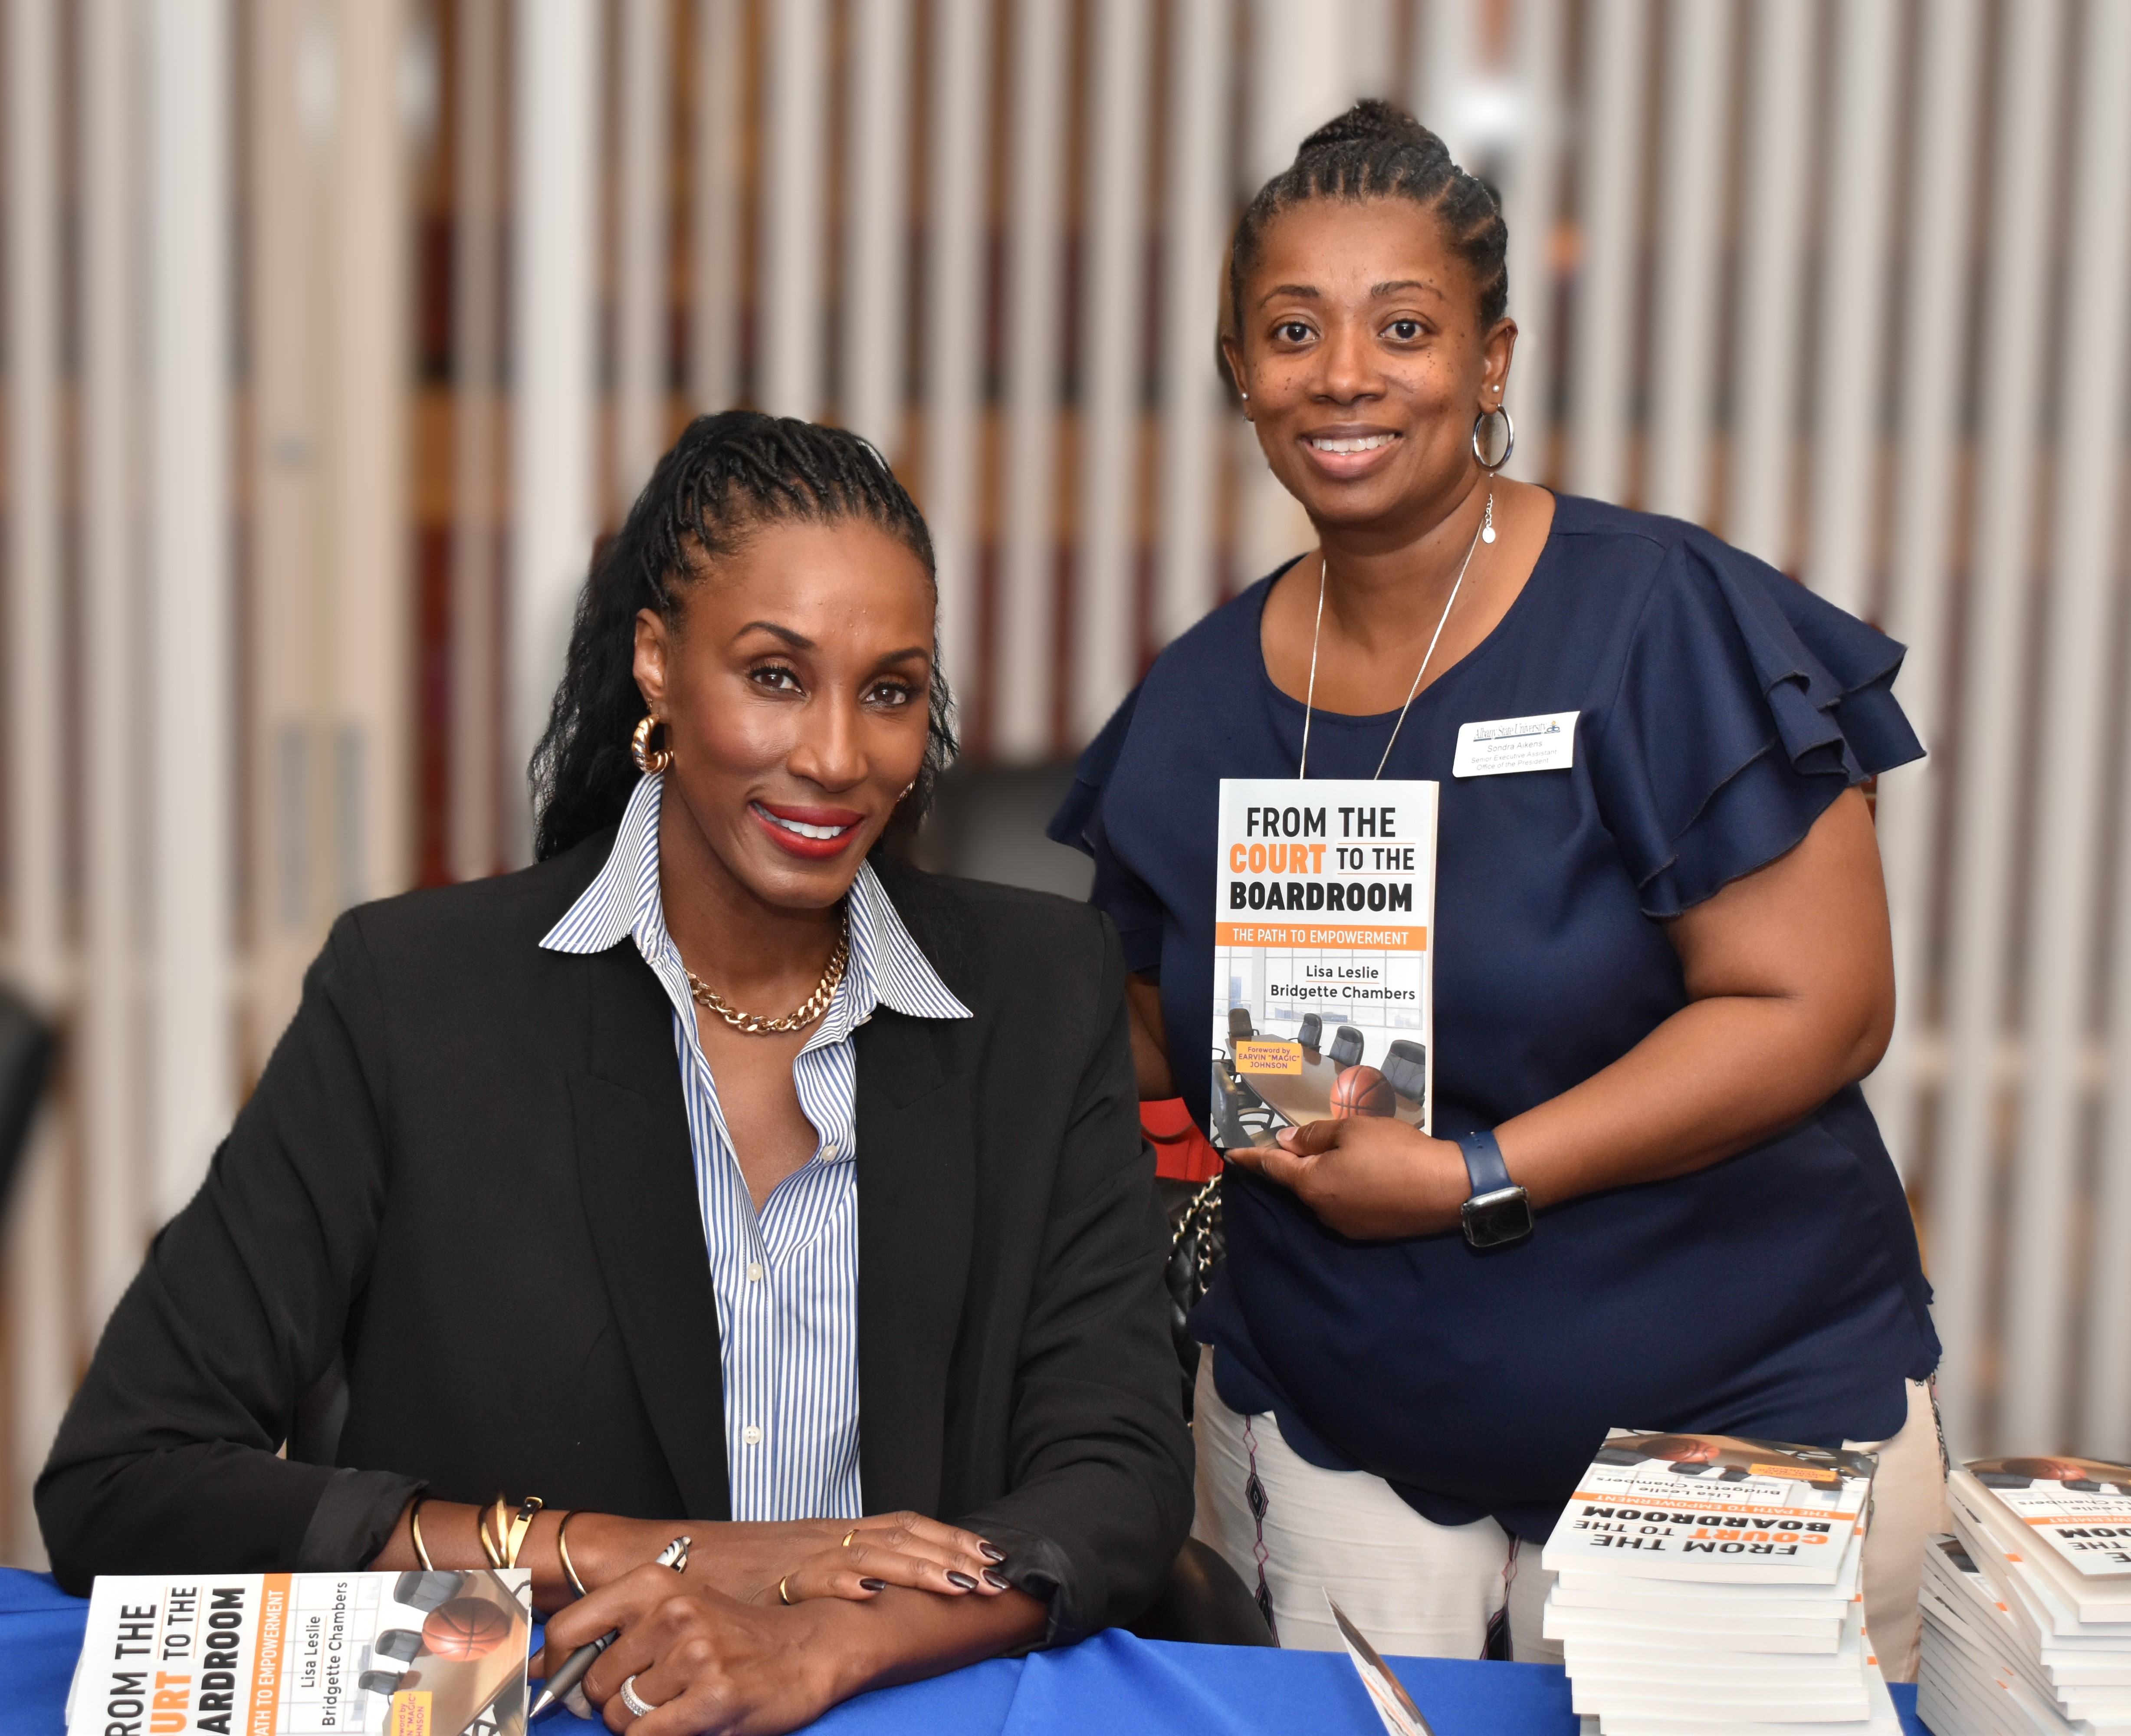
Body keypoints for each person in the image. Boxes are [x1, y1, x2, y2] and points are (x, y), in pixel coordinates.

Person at [39, 411, 1192, 1731]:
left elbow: (1120, 1470)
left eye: (889, 690)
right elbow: (125, 1480)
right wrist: (651, 1552)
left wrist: (827, 1644)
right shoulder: (414, 997)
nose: (836, 755)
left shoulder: (1036, 992)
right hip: (544, 1706)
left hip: (908, 1707)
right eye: (774, 675)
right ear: (656, 661)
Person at [1050, 102, 1945, 1679]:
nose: (1344, 373)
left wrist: (1478, 1173)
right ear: (1237, 370)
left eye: (1405, 327)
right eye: (1291, 329)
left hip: (1725, 1423)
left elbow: (1821, 1005)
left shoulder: (1660, 622)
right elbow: (1141, 1018)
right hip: (1335, 1437)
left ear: (1493, 362)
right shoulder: (1197, 700)